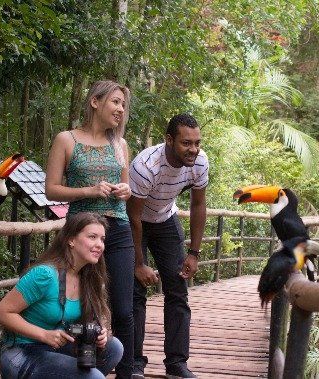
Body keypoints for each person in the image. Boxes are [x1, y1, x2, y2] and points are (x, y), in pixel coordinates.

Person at [44, 80, 136, 376]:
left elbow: (128, 188)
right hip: (80, 231)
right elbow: (51, 190)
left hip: (118, 229)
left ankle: (126, 372)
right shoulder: (66, 139)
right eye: (116, 102)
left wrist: (125, 190)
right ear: (95, 102)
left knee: (123, 309)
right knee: (79, 306)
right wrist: (89, 191)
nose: (121, 109)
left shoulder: (120, 144)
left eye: (123, 105)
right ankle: (75, 370)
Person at [0, 212, 124, 378]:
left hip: (57, 346)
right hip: (21, 351)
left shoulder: (87, 277)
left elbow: (71, 326)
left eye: (102, 239)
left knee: (114, 348)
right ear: (71, 240)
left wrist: (97, 332)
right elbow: (1, 313)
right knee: (93, 377)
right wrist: (44, 334)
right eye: (92, 237)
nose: (100, 244)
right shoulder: (45, 275)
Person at [127, 113, 208, 379]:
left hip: (166, 219)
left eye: (196, 143)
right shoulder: (145, 166)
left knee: (178, 290)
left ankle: (176, 363)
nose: (193, 149)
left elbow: (198, 205)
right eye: (186, 143)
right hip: (135, 221)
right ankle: (134, 363)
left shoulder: (200, 163)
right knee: (135, 292)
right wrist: (139, 264)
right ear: (169, 140)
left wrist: (194, 253)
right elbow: (134, 217)